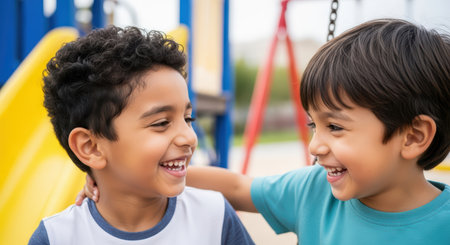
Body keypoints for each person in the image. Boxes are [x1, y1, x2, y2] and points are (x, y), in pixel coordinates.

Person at [79, 19, 450, 244]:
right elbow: (238, 188)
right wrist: (124, 176)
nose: (317, 147)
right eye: (313, 126)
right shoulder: (315, 192)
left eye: (335, 127)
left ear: (414, 136)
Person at [29, 26, 254, 245]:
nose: (189, 137)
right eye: (162, 123)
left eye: (188, 119)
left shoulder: (214, 217)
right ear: (91, 147)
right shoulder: (56, 237)